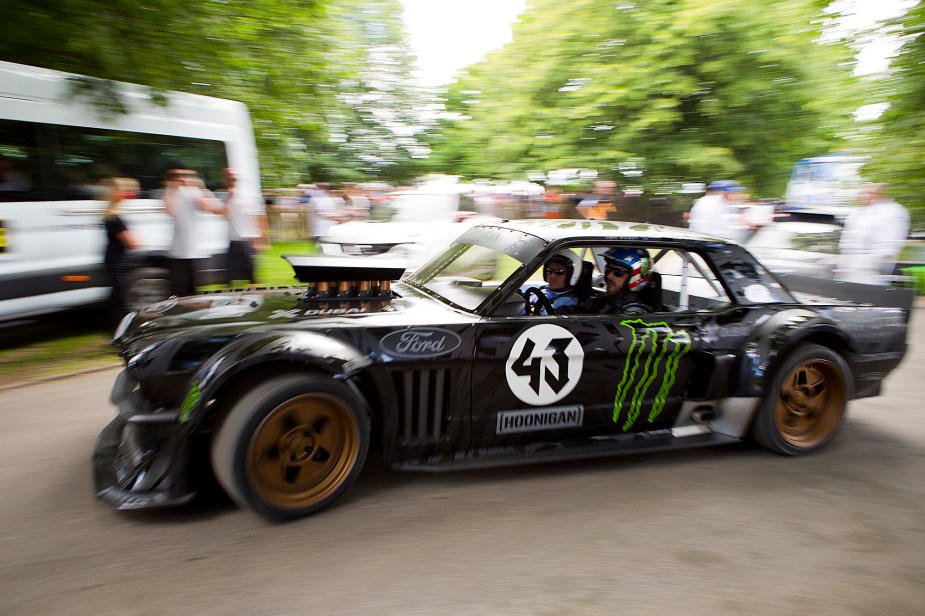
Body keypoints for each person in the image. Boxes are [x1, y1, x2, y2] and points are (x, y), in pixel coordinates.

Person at [162, 161, 224, 297]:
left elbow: (217, 210)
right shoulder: (172, 192)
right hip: (177, 252)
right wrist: (171, 187)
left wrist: (201, 188)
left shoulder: (194, 192)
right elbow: (169, 210)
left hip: (194, 252)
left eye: (183, 175)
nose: (180, 178)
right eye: (175, 175)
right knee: (177, 292)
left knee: (192, 294)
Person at [835, 183, 910, 285]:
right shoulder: (859, 212)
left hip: (870, 273)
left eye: (868, 193)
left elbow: (887, 246)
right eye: (861, 193)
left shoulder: (893, 212)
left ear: (880, 194)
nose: (862, 196)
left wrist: (862, 263)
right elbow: (848, 238)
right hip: (848, 270)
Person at [563, 248, 653, 315]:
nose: (609, 276)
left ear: (636, 277)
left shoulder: (633, 312)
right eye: (608, 269)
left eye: (618, 272)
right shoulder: (609, 299)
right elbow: (580, 309)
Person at [101, 177, 140, 327]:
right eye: (126, 191)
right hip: (115, 260)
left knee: (116, 296)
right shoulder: (114, 218)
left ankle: (113, 327)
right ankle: (119, 329)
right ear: (117, 194)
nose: (130, 194)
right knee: (120, 299)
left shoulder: (110, 214)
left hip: (112, 258)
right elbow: (130, 243)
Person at [221, 167, 267, 285]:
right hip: (233, 239)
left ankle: (253, 290)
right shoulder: (227, 197)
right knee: (229, 274)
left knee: (251, 273)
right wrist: (229, 198)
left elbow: (256, 217)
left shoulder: (247, 196)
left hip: (246, 239)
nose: (231, 181)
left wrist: (260, 240)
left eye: (233, 179)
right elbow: (225, 215)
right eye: (229, 179)